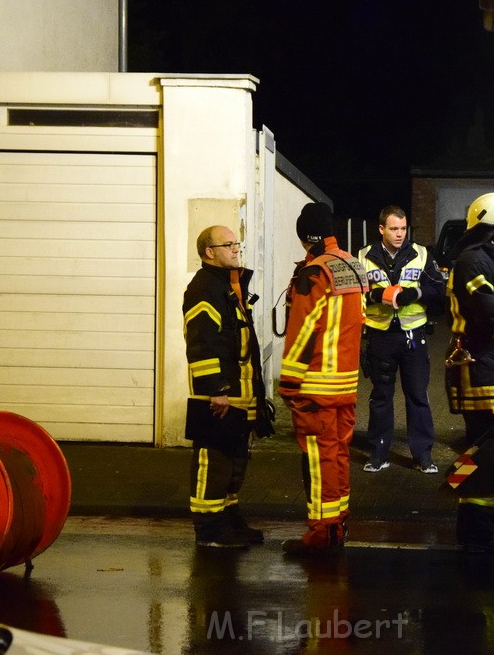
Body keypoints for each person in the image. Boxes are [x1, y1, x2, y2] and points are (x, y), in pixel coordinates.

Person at [279, 202, 367, 556]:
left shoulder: (313, 272)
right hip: (345, 382)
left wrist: (288, 382)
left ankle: (321, 535)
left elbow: (302, 331)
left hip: (315, 383)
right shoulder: (352, 265)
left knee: (318, 460)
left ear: (304, 236)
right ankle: (338, 524)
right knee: (338, 455)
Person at [182, 225, 273, 549]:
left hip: (238, 392)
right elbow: (203, 344)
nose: (236, 249)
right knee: (213, 461)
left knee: (234, 461)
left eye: (237, 243)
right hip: (219, 395)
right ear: (209, 252)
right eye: (228, 244)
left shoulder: (227, 286)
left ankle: (229, 519)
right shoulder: (203, 289)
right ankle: (209, 529)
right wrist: (216, 390)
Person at [444, 192, 494, 554]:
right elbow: (493, 315)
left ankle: (476, 529)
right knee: (492, 451)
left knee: (488, 448)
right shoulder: (474, 261)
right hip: (478, 363)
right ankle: (476, 533)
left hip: (487, 362)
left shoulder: (491, 260)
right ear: (490, 224)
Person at [357, 205, 445, 473]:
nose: (400, 234)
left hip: (413, 335)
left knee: (417, 395)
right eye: (394, 229)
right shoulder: (363, 256)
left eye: (403, 229)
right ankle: (379, 453)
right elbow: (354, 293)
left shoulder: (421, 254)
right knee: (381, 396)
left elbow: (438, 289)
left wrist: (413, 294)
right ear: (381, 229)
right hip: (379, 335)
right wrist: (375, 296)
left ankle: (423, 455)